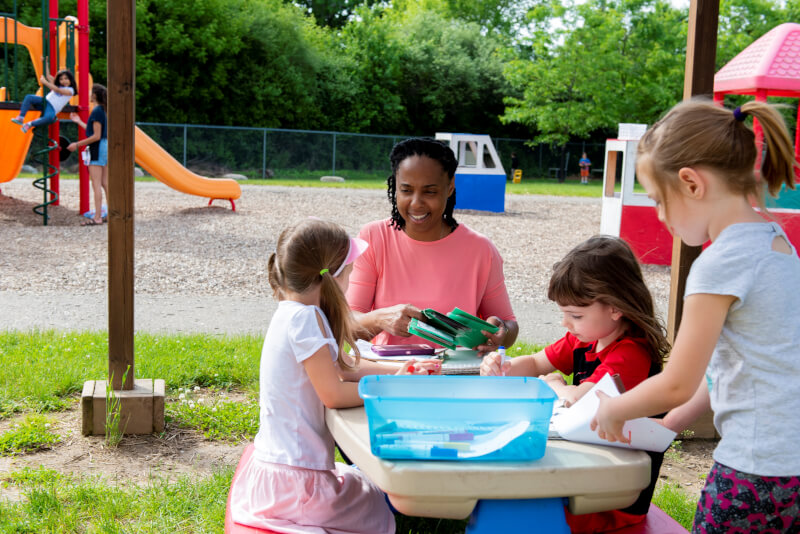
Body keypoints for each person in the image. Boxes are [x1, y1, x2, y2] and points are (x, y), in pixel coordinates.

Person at [591, 99, 800, 533]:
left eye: (658, 201)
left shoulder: (719, 264)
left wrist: (617, 409)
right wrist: (671, 424)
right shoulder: (778, 243)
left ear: (690, 183)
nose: (662, 217)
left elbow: (677, 382)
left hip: (754, 471)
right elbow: (743, 365)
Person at [229, 218, 438, 533]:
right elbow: (334, 394)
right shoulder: (305, 320)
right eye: (350, 272)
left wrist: (397, 371)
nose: (351, 279)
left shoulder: (294, 311)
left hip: (282, 471)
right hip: (296, 486)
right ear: (332, 277)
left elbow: (341, 366)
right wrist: (394, 387)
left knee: (367, 486)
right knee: (377, 510)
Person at [481, 235, 670, 533]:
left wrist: (554, 383)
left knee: (516, 505)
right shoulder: (587, 337)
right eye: (563, 313)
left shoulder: (631, 353)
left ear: (615, 308)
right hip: (586, 471)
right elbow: (536, 362)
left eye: (575, 315)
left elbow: (581, 399)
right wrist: (502, 366)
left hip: (612, 497)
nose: (565, 323)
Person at [346, 137, 518, 352]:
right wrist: (380, 319)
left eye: (429, 191)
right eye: (406, 190)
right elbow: (348, 323)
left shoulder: (481, 249)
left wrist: (501, 330)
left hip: (457, 373)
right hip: (391, 372)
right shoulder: (373, 237)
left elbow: (509, 325)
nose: (416, 203)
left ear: (450, 187)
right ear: (395, 187)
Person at [68, 84, 107, 226]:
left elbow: (96, 136)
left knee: (96, 183)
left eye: (91, 93)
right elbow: (96, 132)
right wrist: (79, 122)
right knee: (105, 183)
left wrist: (76, 144)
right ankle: (112, 213)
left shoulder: (96, 111)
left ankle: (97, 217)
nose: (89, 95)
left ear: (95, 95)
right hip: (104, 146)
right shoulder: (103, 110)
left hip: (97, 148)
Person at [11, 66, 77, 134]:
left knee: (49, 117)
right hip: (45, 101)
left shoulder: (70, 90)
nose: (64, 81)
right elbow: (48, 76)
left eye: (66, 79)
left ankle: (29, 124)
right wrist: (45, 62)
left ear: (71, 79)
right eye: (61, 79)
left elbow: (58, 90)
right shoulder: (58, 85)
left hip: (52, 107)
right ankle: (21, 117)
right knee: (29, 97)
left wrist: (45, 83)